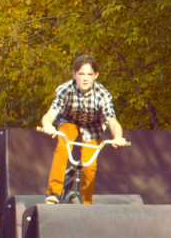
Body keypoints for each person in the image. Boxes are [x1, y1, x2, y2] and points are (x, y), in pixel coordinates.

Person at [39, 55, 128, 205]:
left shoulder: (102, 95)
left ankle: (87, 203)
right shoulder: (65, 90)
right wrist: (48, 126)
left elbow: (113, 122)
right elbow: (49, 115)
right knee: (62, 146)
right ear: (74, 74)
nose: (85, 79)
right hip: (69, 121)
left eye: (89, 74)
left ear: (96, 75)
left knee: (89, 164)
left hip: (92, 126)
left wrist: (118, 137)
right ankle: (54, 193)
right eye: (81, 74)